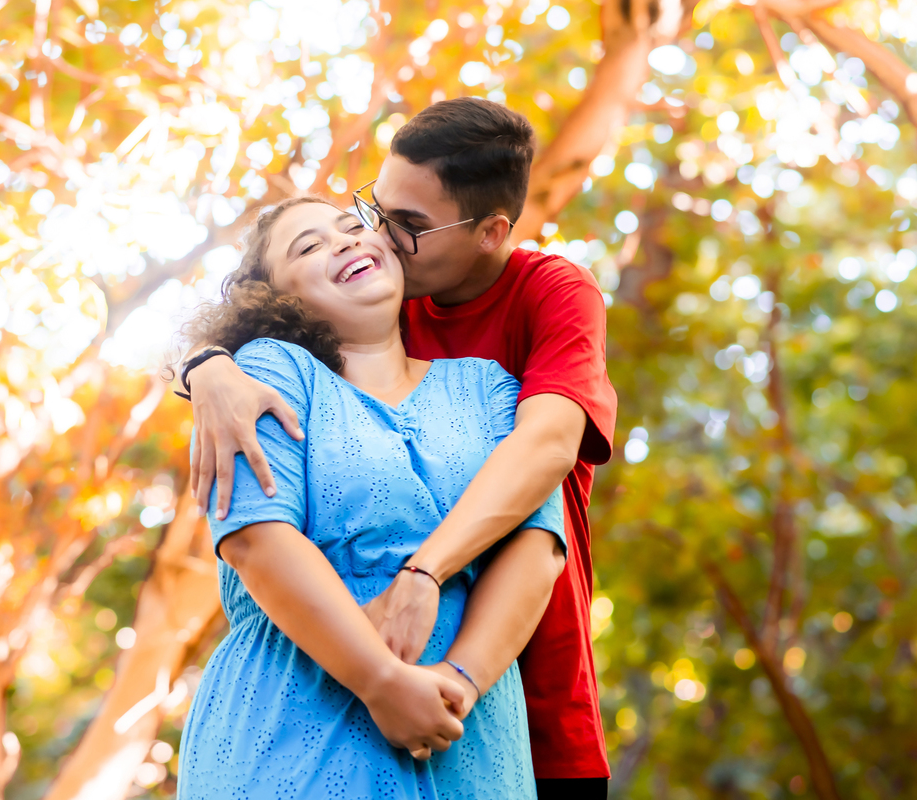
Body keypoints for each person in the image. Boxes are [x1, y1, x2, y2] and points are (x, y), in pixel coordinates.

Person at [185, 98, 618, 798]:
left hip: (520, 686)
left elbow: (546, 453)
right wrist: (207, 363)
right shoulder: (327, 333)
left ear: (489, 232)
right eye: (373, 213)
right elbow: (255, 530)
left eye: (403, 226)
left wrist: (428, 589)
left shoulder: (529, 321)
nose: (371, 237)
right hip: (303, 724)